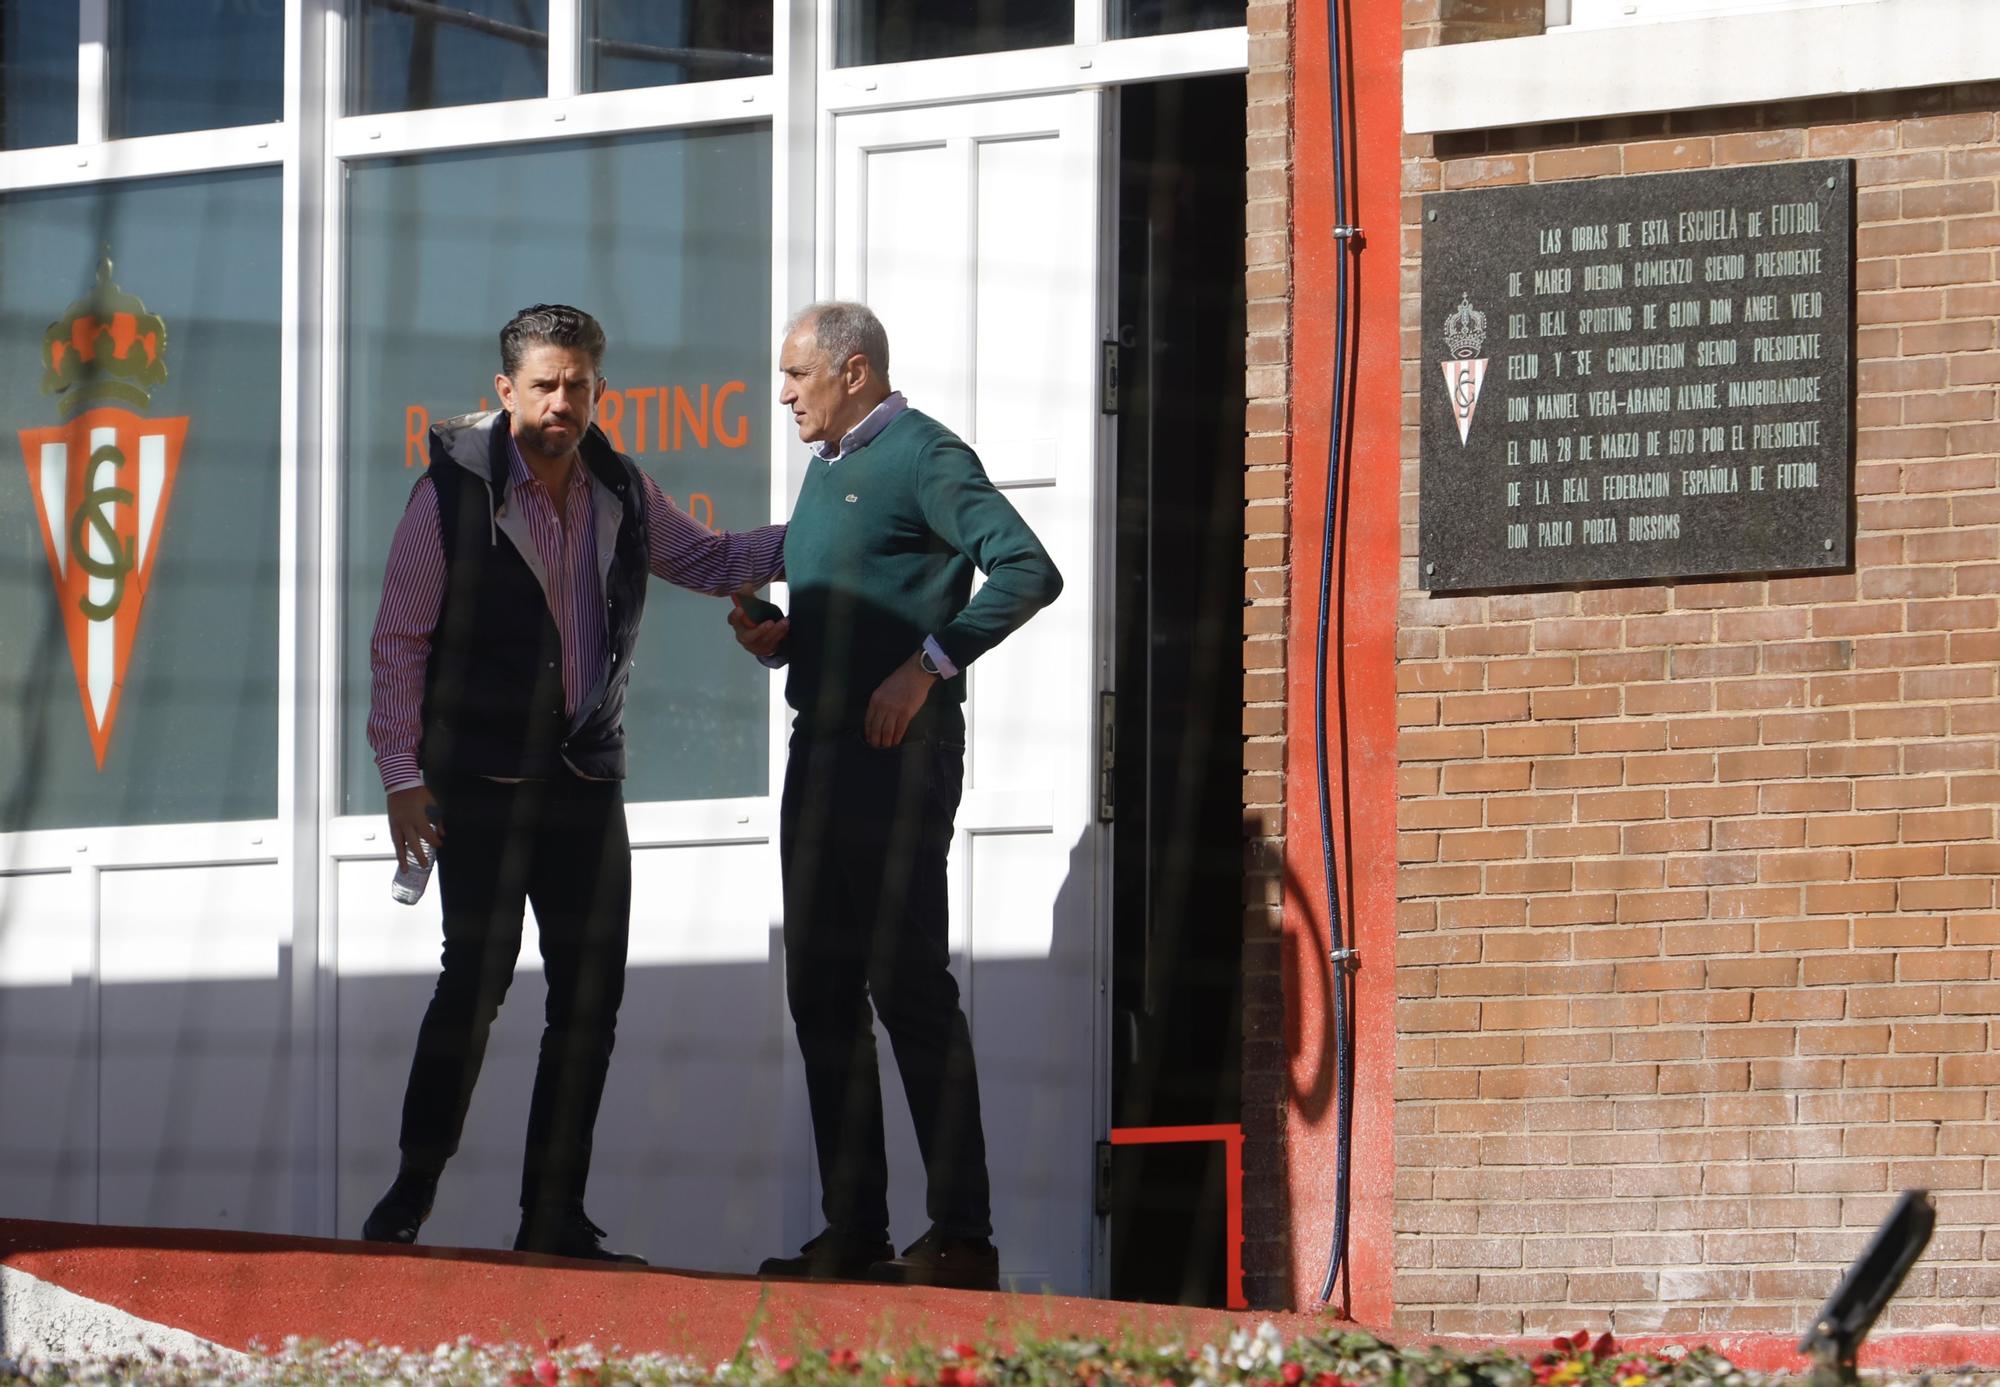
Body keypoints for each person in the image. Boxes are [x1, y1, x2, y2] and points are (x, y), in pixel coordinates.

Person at [362, 303, 786, 1263]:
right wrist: (399, 775)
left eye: (580, 385)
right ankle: (413, 1186)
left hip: (586, 783)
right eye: (546, 384)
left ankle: (552, 1216)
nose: (563, 402)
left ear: (601, 389)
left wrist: (832, 535)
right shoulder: (448, 495)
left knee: (589, 1002)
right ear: (506, 390)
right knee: (472, 983)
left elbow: (712, 560)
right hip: (477, 784)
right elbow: (400, 639)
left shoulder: (622, 489)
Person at [733, 301, 1062, 1291]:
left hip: (896, 756)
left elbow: (1027, 568)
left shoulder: (924, 454)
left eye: (797, 375)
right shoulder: (827, 464)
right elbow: (865, 600)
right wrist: (785, 636)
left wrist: (927, 664)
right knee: (819, 992)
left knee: (906, 987)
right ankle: (854, 1233)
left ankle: (962, 1236)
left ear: (856, 371)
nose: (782, 393)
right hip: (818, 752)